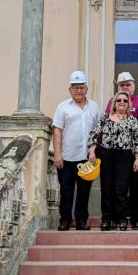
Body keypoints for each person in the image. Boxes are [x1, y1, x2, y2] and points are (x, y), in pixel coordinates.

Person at [88, 91, 138, 231]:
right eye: (119, 100)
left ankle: (122, 219)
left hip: (125, 156)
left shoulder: (132, 121)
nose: (122, 102)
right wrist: (92, 151)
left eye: (125, 100)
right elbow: (95, 135)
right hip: (106, 155)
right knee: (107, 188)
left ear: (128, 104)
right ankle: (107, 219)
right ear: (114, 103)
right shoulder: (105, 118)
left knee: (121, 189)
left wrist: (137, 159)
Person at [52, 70, 101, 231]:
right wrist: (58, 154)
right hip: (66, 157)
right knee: (66, 191)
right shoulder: (62, 107)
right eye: (75, 87)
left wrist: (93, 151)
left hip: (86, 157)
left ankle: (82, 221)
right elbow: (57, 130)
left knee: (84, 191)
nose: (78, 90)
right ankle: (65, 220)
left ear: (87, 88)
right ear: (70, 89)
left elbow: (97, 132)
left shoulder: (94, 107)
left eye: (81, 87)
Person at [105, 72, 138, 227]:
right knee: (114, 187)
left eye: (128, 84)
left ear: (133, 85)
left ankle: (135, 219)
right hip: (112, 153)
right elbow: (106, 123)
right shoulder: (112, 101)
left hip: (133, 151)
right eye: (122, 85)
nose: (125, 87)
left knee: (135, 186)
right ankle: (113, 218)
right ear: (118, 87)